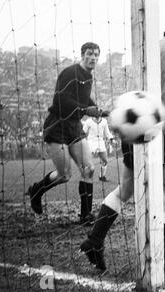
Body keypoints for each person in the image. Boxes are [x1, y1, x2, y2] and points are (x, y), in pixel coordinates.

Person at [80, 3, 165, 285]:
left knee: (126, 188)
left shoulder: (160, 46)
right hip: (155, 131)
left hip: (135, 128)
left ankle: (94, 240)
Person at [27, 42, 102, 225]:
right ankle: (37, 190)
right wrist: (87, 110)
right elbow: (60, 99)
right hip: (57, 125)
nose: (93, 58)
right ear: (82, 54)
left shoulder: (89, 76)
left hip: (74, 126)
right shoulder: (70, 72)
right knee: (64, 175)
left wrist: (94, 107)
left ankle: (85, 216)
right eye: (90, 54)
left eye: (96, 55)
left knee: (89, 169)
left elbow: (82, 98)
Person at [83, 114, 115, 182]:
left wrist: (112, 139)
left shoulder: (104, 121)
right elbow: (83, 132)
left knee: (105, 161)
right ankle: (86, 177)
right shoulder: (88, 121)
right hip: (91, 142)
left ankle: (102, 176)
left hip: (101, 143)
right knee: (88, 162)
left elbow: (107, 133)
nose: (97, 113)